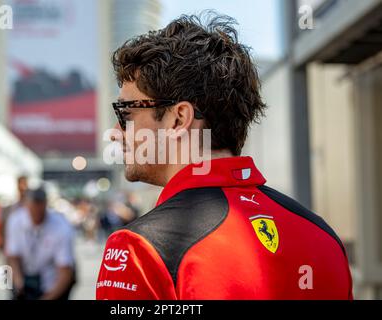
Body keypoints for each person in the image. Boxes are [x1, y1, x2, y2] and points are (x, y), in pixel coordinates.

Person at [96, 12, 353, 300]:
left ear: (179, 119)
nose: (117, 132)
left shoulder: (140, 248)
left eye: (126, 113)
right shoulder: (323, 237)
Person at [5, 187, 76, 300]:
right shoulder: (15, 220)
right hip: (24, 274)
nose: (36, 211)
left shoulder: (61, 226)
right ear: (26, 206)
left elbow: (65, 270)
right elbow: (12, 257)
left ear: (45, 205)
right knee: (6, 274)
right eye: (33, 207)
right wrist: (18, 284)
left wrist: (49, 296)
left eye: (39, 206)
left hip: (52, 279)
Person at [0, 176, 28, 251]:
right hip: (12, 244)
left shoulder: (30, 205)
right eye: (21, 184)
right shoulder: (10, 204)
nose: (23, 187)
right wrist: (3, 241)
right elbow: (2, 223)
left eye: (24, 184)